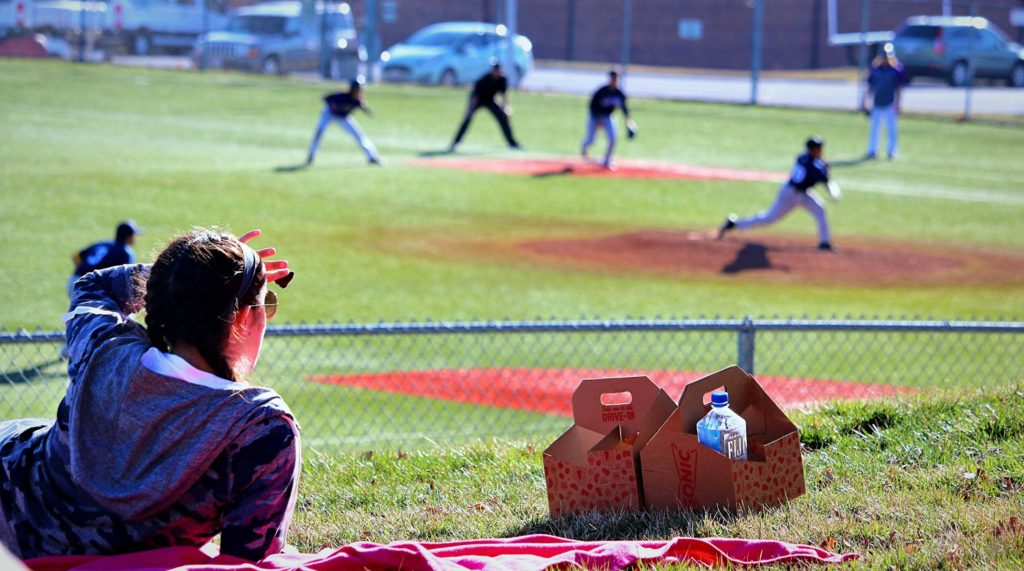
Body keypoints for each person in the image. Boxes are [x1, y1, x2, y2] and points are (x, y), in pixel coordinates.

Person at [1, 228, 300, 562]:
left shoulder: (105, 344)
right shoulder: (260, 429)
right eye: (265, 305)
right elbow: (249, 563)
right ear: (244, 318)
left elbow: (93, 285)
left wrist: (185, 280)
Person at [718, 137, 841, 251]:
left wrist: (821, 165)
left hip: (803, 194)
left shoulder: (802, 157)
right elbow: (826, 180)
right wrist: (832, 187)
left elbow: (815, 167)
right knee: (769, 218)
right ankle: (735, 224)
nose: (821, 150)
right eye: (819, 148)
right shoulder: (815, 168)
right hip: (790, 195)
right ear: (815, 149)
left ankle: (824, 243)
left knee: (820, 209)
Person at [306, 76, 382, 166]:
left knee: (359, 136)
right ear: (353, 89)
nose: (360, 91)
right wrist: (332, 105)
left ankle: (372, 157)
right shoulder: (341, 96)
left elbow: (363, 107)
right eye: (358, 89)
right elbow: (325, 97)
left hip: (343, 117)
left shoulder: (357, 101)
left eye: (360, 89)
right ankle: (311, 156)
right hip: (329, 114)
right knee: (319, 133)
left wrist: (369, 112)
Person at [449, 61, 520, 152]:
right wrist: (470, 110)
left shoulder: (502, 79)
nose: (496, 71)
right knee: (467, 119)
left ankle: (512, 143)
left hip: (490, 100)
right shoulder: (484, 80)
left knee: (503, 117)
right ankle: (455, 142)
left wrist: (506, 108)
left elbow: (504, 94)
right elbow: (475, 96)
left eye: (497, 70)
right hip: (478, 100)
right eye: (494, 69)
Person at [580, 69, 636, 170]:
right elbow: (592, 105)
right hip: (595, 116)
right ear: (609, 79)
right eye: (613, 78)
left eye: (616, 78)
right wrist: (598, 120)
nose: (614, 80)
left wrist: (629, 121)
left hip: (608, 117)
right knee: (591, 139)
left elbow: (624, 108)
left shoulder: (620, 93)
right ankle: (584, 146)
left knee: (613, 138)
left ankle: (606, 161)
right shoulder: (601, 91)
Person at [68, 220, 140, 298]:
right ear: (129, 236)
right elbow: (126, 277)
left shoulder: (103, 243)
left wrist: (83, 272)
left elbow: (76, 257)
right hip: (90, 286)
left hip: (74, 281)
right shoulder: (125, 251)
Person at [861, 44, 906, 160]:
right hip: (877, 103)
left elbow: (899, 88)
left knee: (891, 129)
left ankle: (892, 151)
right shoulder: (875, 70)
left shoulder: (895, 71)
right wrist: (866, 101)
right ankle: (872, 151)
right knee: (875, 129)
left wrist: (898, 103)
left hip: (889, 103)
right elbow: (869, 86)